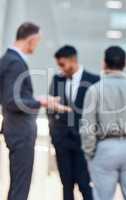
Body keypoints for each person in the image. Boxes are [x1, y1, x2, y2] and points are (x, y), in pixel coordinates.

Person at [0, 22, 70, 200]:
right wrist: (40, 101)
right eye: (37, 42)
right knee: (20, 186)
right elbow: (11, 100)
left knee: (19, 184)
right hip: (20, 131)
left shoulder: (10, 60)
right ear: (31, 40)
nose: (37, 46)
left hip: (16, 129)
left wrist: (38, 100)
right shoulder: (15, 63)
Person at [80, 46, 126, 200]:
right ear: (125, 63)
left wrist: (90, 153)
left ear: (104, 63)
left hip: (104, 148)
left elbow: (87, 127)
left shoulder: (94, 90)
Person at [47, 45, 100, 200]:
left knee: (85, 184)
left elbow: (99, 113)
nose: (61, 69)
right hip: (62, 142)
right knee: (66, 185)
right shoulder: (57, 79)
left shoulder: (93, 80)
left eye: (62, 64)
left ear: (73, 60)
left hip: (84, 144)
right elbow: (51, 108)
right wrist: (54, 135)